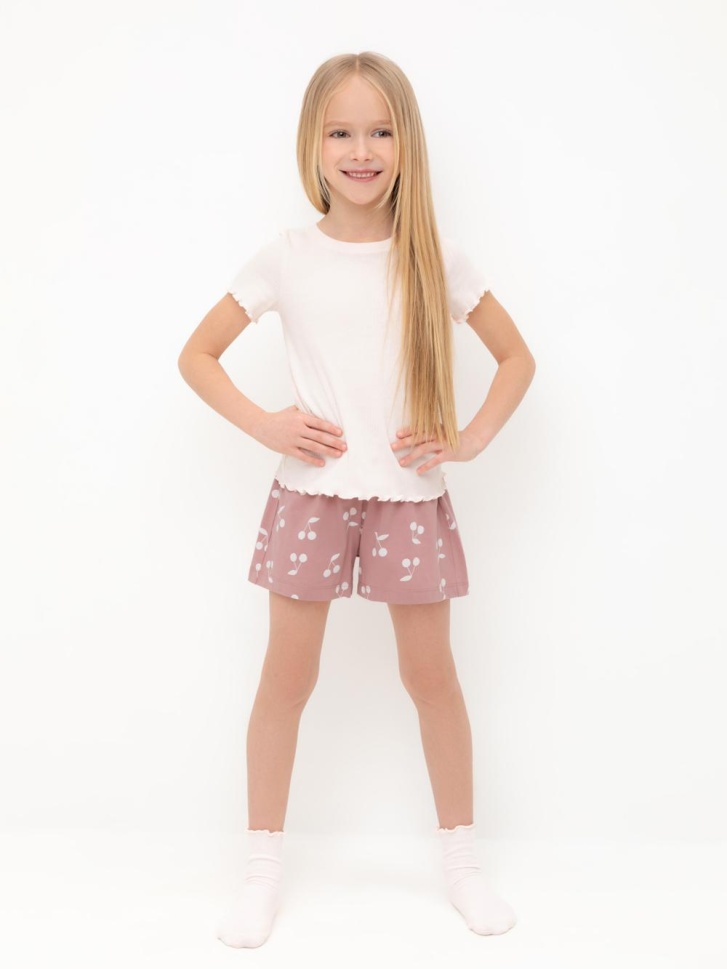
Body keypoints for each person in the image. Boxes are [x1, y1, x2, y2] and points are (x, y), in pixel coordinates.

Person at [178, 51, 536, 949]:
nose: (361, 150)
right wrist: (265, 423)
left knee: (432, 678)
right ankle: (261, 871)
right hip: (309, 496)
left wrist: (468, 438)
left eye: (380, 131)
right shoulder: (285, 257)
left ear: (406, 144)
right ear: (313, 143)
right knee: (285, 680)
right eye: (341, 131)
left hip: (409, 497)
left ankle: (462, 864)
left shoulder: (435, 257)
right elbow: (197, 355)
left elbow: (516, 357)